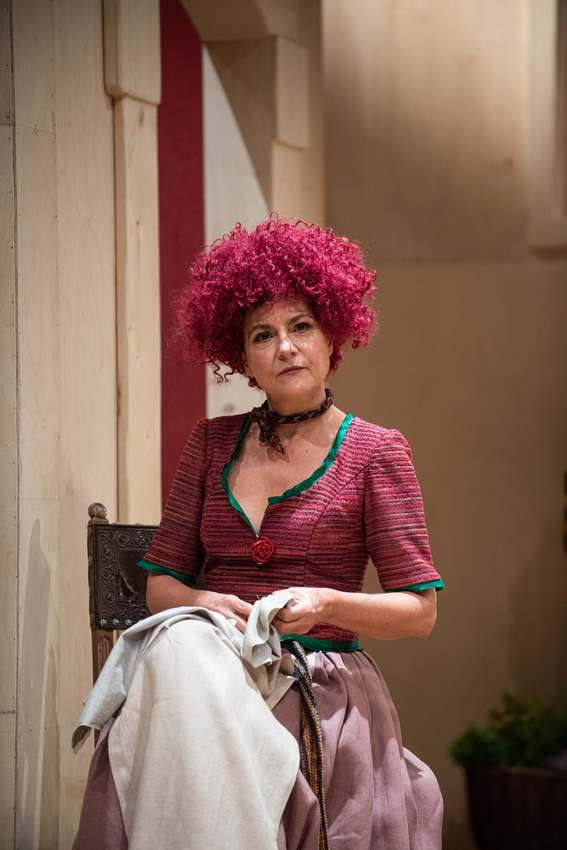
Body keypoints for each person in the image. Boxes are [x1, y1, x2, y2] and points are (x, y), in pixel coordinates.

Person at [73, 216, 445, 849]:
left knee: (180, 672)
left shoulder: (375, 452)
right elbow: (161, 586)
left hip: (317, 686)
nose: (286, 348)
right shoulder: (210, 442)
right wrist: (202, 602)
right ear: (242, 358)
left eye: (301, 326)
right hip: (204, 668)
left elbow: (419, 613)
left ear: (333, 336)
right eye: (262, 335)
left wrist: (326, 604)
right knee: (182, 647)